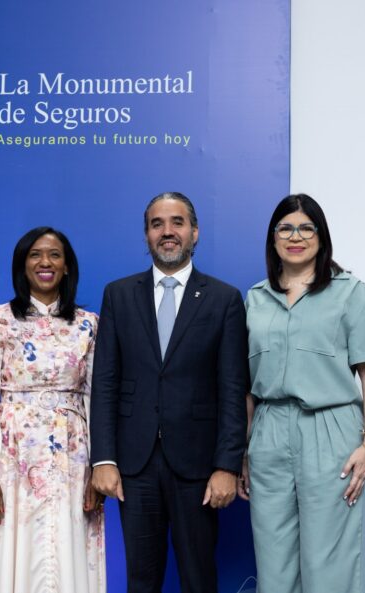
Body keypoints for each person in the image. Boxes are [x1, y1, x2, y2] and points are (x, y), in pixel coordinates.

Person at [86, 192, 248, 593]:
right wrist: (103, 458)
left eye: (177, 222)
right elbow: (104, 381)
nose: (168, 231)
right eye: (157, 224)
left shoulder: (224, 299)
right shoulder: (118, 295)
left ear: (195, 232)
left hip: (198, 467)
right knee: (141, 580)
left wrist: (227, 465)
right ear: (146, 235)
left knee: (198, 578)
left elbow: (233, 388)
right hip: (133, 466)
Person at [238, 194, 365, 593]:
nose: (296, 236)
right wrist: (245, 448)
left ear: (321, 237)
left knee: (328, 562)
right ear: (273, 239)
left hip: (330, 429)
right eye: (285, 228)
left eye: (306, 228)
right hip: (268, 432)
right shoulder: (255, 299)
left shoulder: (350, 293)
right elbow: (248, 386)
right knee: (274, 560)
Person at [0, 227, 106, 593]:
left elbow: (95, 398)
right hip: (10, 460)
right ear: (23, 266)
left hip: (72, 460)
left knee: (65, 551)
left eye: (54, 255)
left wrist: (98, 467)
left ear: (67, 266)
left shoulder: (88, 324)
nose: (45, 262)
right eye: (35, 254)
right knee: (4, 550)